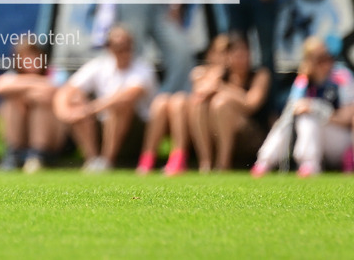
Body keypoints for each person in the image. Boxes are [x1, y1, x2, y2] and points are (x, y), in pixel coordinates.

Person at [53, 25, 157, 172]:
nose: (123, 51)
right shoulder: (99, 66)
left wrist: (90, 109)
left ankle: (108, 161)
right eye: (118, 46)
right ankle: (93, 161)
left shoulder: (143, 69)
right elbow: (67, 90)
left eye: (127, 45)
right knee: (75, 101)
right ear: (109, 47)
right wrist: (65, 112)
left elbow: (127, 96)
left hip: (138, 132)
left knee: (120, 106)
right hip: (102, 127)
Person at [251, 36, 354, 177]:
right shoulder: (303, 81)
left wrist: (317, 109)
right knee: (295, 118)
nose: (326, 63)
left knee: (309, 114)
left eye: (328, 57)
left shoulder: (342, 76)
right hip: (313, 140)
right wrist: (307, 109)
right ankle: (265, 162)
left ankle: (309, 164)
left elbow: (347, 117)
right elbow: (289, 116)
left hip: (341, 142)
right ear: (309, 61)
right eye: (319, 59)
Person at [136, 34, 229, 176]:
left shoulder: (231, 74)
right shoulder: (200, 72)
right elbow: (201, 90)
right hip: (192, 120)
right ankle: (148, 157)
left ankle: (179, 157)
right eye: (218, 52)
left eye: (226, 52)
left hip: (210, 122)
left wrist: (217, 75)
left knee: (179, 101)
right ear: (210, 54)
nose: (222, 57)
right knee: (161, 101)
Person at [188, 33, 270, 171]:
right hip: (216, 130)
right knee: (200, 104)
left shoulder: (260, 74)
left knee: (222, 103)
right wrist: (211, 80)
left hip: (252, 135)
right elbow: (200, 92)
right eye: (236, 54)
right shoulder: (219, 73)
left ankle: (223, 163)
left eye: (244, 53)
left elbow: (251, 104)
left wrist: (223, 89)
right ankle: (206, 162)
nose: (241, 58)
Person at [0, 40, 68, 173]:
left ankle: (38, 154)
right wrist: (30, 89)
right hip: (23, 134)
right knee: (11, 102)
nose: (31, 61)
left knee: (42, 103)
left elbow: (54, 89)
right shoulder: (13, 74)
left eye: (34, 57)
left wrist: (26, 93)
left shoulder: (55, 72)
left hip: (55, 137)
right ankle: (13, 153)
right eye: (26, 57)